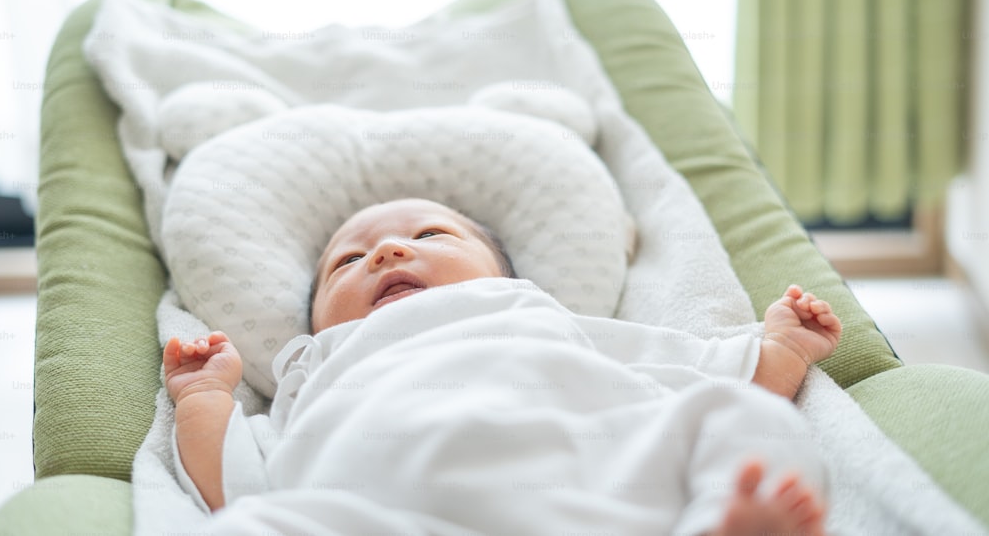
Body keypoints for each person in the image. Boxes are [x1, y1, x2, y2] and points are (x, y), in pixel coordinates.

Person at [164, 198, 841, 535]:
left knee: (746, 418)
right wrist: (203, 395)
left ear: (500, 274)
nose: (388, 251)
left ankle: (716, 518)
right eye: (345, 261)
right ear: (314, 321)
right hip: (377, 514)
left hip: (594, 487)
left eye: (430, 235)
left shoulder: (530, 311)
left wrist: (778, 350)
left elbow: (700, 373)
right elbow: (236, 479)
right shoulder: (315, 365)